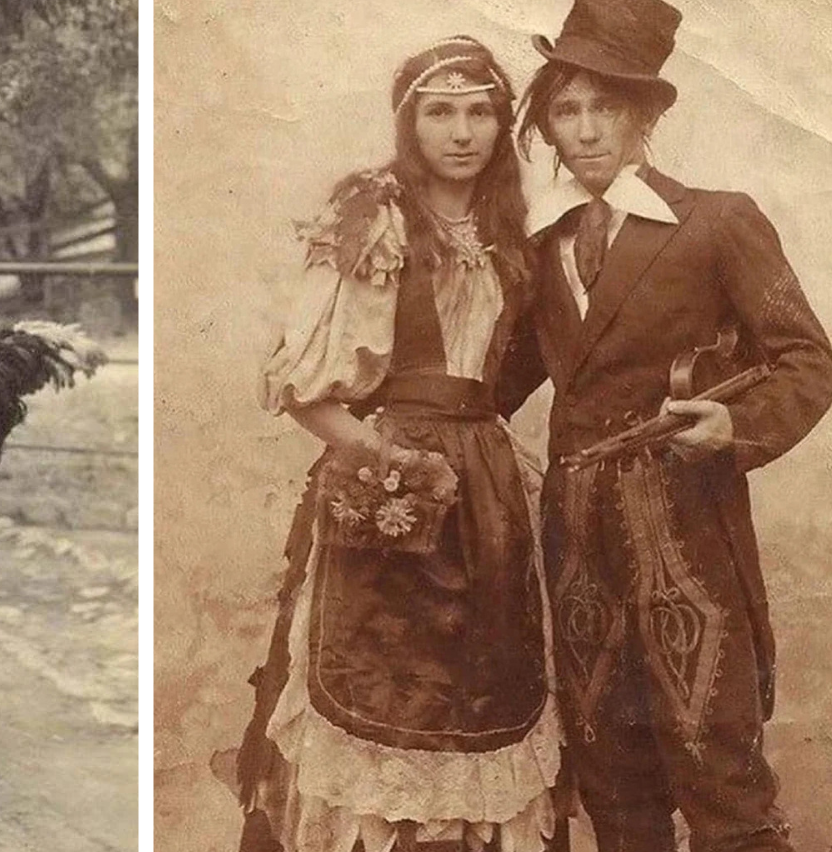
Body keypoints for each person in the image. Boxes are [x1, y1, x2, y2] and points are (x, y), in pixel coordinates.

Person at [500, 0, 832, 848]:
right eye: (565, 110)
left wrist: (733, 424)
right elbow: (488, 386)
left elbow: (808, 361)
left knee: (719, 772)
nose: (584, 131)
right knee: (613, 780)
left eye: (605, 107)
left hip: (685, 538)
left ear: (646, 114)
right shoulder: (544, 250)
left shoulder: (717, 221)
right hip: (577, 546)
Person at [238, 36, 565, 852]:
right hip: (390, 481)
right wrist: (386, 464)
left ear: (502, 124)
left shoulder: (514, 230)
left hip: (488, 491)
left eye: (481, 112)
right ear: (409, 123)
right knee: (383, 687)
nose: (462, 132)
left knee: (483, 694)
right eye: (440, 112)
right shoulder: (374, 214)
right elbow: (306, 391)